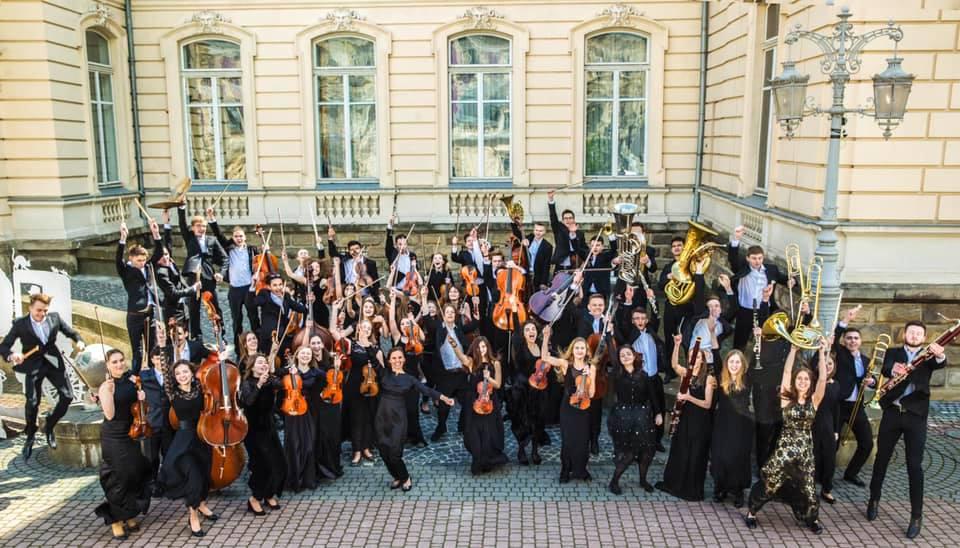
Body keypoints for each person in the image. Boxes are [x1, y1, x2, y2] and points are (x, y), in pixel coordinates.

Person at [868, 320, 948, 539]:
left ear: (924, 337)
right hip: (893, 413)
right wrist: (893, 369)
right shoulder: (893, 352)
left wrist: (940, 354)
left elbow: (940, 363)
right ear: (904, 333)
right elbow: (885, 368)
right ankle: (874, 499)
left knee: (915, 466)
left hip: (916, 417)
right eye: (911, 332)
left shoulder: (928, 355)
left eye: (919, 333)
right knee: (882, 458)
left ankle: (916, 516)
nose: (914, 336)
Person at [745, 339, 829, 534]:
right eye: (799, 379)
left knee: (808, 487)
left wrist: (823, 354)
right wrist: (792, 350)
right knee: (770, 483)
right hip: (784, 451)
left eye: (806, 379)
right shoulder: (786, 398)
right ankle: (752, 512)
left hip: (804, 452)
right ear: (795, 381)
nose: (802, 382)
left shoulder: (814, 401)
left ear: (810, 383)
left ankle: (812, 518)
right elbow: (785, 373)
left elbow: (823, 379)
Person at [0, 292, 85, 460]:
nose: (42, 314)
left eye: (45, 310)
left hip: (53, 362)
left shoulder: (54, 318)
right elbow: (4, 346)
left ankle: (50, 425)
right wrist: (12, 355)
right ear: (30, 307)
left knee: (67, 396)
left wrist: (79, 340)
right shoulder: (21, 324)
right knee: (32, 402)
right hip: (32, 365)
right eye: (39, 310)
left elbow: (71, 332)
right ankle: (30, 434)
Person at [375, 347, 454, 491]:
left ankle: (405, 477)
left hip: (398, 418)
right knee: (383, 451)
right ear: (389, 360)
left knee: (394, 453)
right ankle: (396, 476)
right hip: (382, 417)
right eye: (394, 358)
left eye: (400, 357)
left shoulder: (410, 379)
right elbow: (370, 356)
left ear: (404, 359)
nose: (397, 360)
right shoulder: (384, 373)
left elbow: (427, 390)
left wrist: (444, 398)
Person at [94, 349, 152, 540]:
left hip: (131, 433)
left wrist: (141, 398)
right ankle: (116, 520)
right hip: (113, 436)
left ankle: (128, 514)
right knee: (118, 478)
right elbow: (109, 415)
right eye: (114, 362)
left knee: (133, 473)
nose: (119, 364)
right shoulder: (106, 387)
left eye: (121, 360)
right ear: (107, 365)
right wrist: (107, 394)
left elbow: (139, 407)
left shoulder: (131, 381)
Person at [156, 359, 216, 538]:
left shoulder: (200, 387)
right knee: (194, 477)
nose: (182, 375)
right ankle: (193, 515)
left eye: (185, 371)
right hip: (184, 440)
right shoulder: (172, 392)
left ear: (192, 372)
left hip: (203, 435)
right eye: (178, 373)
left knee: (205, 473)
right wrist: (160, 344)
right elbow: (166, 373)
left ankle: (202, 504)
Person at [656, 334, 715, 501]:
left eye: (696, 356)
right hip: (685, 417)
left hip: (699, 420)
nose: (693, 358)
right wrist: (676, 345)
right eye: (690, 356)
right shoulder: (686, 373)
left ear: (702, 360)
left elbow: (707, 404)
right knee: (681, 449)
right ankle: (676, 484)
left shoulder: (709, 378)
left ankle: (692, 489)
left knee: (695, 452)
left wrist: (688, 397)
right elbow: (674, 364)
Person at [538, 326, 596, 483]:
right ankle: (565, 470)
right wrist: (545, 337)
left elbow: (592, 394)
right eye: (576, 348)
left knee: (583, 440)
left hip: (583, 407)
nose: (579, 350)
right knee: (568, 440)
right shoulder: (565, 364)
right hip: (568, 408)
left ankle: (581, 470)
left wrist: (587, 377)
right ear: (572, 349)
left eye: (582, 348)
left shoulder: (591, 367)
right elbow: (544, 357)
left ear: (586, 350)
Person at [606, 342, 662, 495]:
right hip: (623, 417)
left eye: (628, 354)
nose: (625, 357)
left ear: (634, 356)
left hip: (643, 417)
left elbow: (652, 396)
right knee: (629, 452)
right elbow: (611, 397)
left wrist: (658, 413)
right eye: (622, 355)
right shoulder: (616, 374)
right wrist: (610, 334)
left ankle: (643, 480)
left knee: (647, 452)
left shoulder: (643, 375)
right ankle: (614, 481)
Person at [615, 287, 666, 451]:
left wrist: (653, 300)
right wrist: (628, 301)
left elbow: (657, 318)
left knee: (660, 407)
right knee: (641, 412)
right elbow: (622, 324)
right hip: (640, 379)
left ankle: (657, 440)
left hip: (654, 377)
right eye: (636, 318)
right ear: (632, 321)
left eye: (643, 318)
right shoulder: (631, 334)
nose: (640, 321)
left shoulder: (651, 332)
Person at [726, 225, 789, 350]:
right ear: (748, 258)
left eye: (760, 258)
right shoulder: (743, 268)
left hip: (763, 311)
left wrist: (792, 281)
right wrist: (736, 238)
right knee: (739, 343)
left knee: (764, 344)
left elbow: (783, 279)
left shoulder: (771, 269)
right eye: (754, 258)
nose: (757, 261)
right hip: (745, 310)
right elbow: (733, 259)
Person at [832, 306, 875, 487]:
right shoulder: (840, 353)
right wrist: (845, 320)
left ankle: (851, 474)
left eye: (855, 338)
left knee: (867, 443)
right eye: (849, 338)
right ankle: (823, 475)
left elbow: (874, 378)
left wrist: (871, 381)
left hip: (856, 406)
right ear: (844, 341)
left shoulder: (866, 360)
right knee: (831, 443)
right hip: (838, 405)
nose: (852, 341)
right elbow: (833, 339)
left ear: (861, 341)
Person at [239, 353, 286, 514]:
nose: (263, 364)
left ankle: (269, 493)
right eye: (260, 362)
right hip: (253, 430)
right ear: (252, 366)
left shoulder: (269, 380)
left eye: (265, 362)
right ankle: (255, 498)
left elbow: (281, 386)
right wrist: (259, 384)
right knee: (262, 465)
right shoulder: (247, 383)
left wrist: (271, 375)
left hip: (269, 427)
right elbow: (249, 402)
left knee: (279, 462)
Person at [208, 208, 260, 349]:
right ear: (233, 237)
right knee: (237, 320)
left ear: (245, 237)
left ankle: (258, 346)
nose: (239, 238)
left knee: (254, 318)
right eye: (236, 236)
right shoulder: (228, 248)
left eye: (241, 236)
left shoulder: (252, 250)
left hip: (249, 288)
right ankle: (238, 348)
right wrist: (212, 218)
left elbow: (260, 265)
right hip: (235, 289)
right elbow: (219, 235)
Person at [116, 219, 162, 372]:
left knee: (153, 347)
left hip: (150, 313)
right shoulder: (126, 271)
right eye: (139, 260)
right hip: (135, 315)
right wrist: (123, 238)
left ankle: (152, 373)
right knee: (137, 350)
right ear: (131, 258)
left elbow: (159, 253)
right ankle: (136, 376)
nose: (142, 263)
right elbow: (118, 259)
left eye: (143, 260)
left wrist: (155, 233)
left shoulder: (148, 267)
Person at [710, 350, 753, 507]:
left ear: (742, 364)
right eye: (731, 362)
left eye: (737, 362)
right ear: (726, 364)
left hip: (742, 425)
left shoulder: (748, 380)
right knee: (721, 455)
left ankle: (737, 491)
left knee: (738, 456)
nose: (734, 365)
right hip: (723, 423)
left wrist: (758, 339)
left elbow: (758, 359)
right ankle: (720, 488)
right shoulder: (720, 380)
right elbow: (714, 355)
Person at [177, 205, 227, 339]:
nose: (201, 229)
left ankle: (220, 335)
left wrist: (221, 273)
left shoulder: (212, 240)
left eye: (203, 226)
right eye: (198, 226)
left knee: (215, 307)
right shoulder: (190, 238)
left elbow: (224, 258)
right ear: (193, 228)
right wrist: (181, 207)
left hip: (209, 278)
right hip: (193, 278)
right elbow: (182, 224)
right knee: (193, 309)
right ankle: (196, 336)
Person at [460, 336, 508, 475]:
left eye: (484, 346)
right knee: (473, 432)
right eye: (479, 347)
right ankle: (477, 459)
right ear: (475, 348)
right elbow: (461, 356)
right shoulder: (472, 362)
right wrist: (453, 345)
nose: (482, 349)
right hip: (473, 402)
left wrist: (488, 378)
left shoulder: (495, 363)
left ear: (488, 347)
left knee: (488, 433)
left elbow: (498, 384)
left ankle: (486, 460)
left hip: (489, 403)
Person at [506, 320, 548, 465]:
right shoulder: (519, 347)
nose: (531, 331)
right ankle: (521, 449)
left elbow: (546, 360)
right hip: (523, 390)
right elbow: (517, 367)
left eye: (533, 329)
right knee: (524, 422)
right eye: (527, 330)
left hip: (539, 390)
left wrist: (546, 338)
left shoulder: (541, 346)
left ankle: (535, 450)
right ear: (523, 334)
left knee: (538, 421)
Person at [281, 346, 321, 492]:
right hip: (291, 410)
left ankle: (308, 480)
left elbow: (327, 377)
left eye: (308, 354)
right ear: (297, 355)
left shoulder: (315, 372)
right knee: (293, 445)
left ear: (311, 357)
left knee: (309, 445)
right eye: (303, 353)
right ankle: (293, 480)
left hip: (308, 411)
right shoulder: (289, 370)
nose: (305, 356)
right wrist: (290, 370)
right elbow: (275, 376)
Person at [309, 337, 344, 480]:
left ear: (322, 344)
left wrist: (337, 367)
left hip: (332, 401)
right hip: (316, 402)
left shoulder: (330, 359)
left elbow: (338, 379)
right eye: (313, 343)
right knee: (319, 434)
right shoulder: (308, 360)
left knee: (332, 434)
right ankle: (321, 468)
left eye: (318, 343)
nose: (316, 346)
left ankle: (333, 466)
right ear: (309, 346)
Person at [812, 345, 840, 505]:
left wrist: (836, 430)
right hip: (813, 424)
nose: (827, 366)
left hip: (828, 425)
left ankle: (826, 489)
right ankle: (810, 489)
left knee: (829, 459)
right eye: (824, 363)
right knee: (813, 457)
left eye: (830, 364)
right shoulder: (813, 382)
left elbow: (837, 408)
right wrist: (822, 350)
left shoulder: (836, 385)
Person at [140, 346, 173, 479]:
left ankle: (167, 481)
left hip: (169, 422)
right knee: (152, 457)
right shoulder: (144, 376)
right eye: (158, 358)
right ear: (152, 360)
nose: (160, 361)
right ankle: (152, 482)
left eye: (163, 358)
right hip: (152, 422)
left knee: (168, 455)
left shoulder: (172, 375)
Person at [546, 189, 588, 273]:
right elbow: (553, 216)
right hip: (561, 265)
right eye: (566, 218)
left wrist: (585, 261)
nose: (568, 220)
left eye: (570, 218)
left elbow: (584, 249)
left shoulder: (580, 233)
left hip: (575, 265)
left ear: (574, 219)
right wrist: (551, 199)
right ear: (562, 221)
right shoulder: (559, 230)